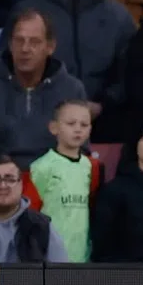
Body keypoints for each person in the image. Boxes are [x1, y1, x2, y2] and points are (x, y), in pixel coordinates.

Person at [22, 99, 104, 262]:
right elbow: (30, 214)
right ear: (54, 127)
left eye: (84, 124)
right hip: (51, 255)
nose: (78, 129)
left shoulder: (92, 166)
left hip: (83, 254)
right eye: (71, 123)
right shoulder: (40, 167)